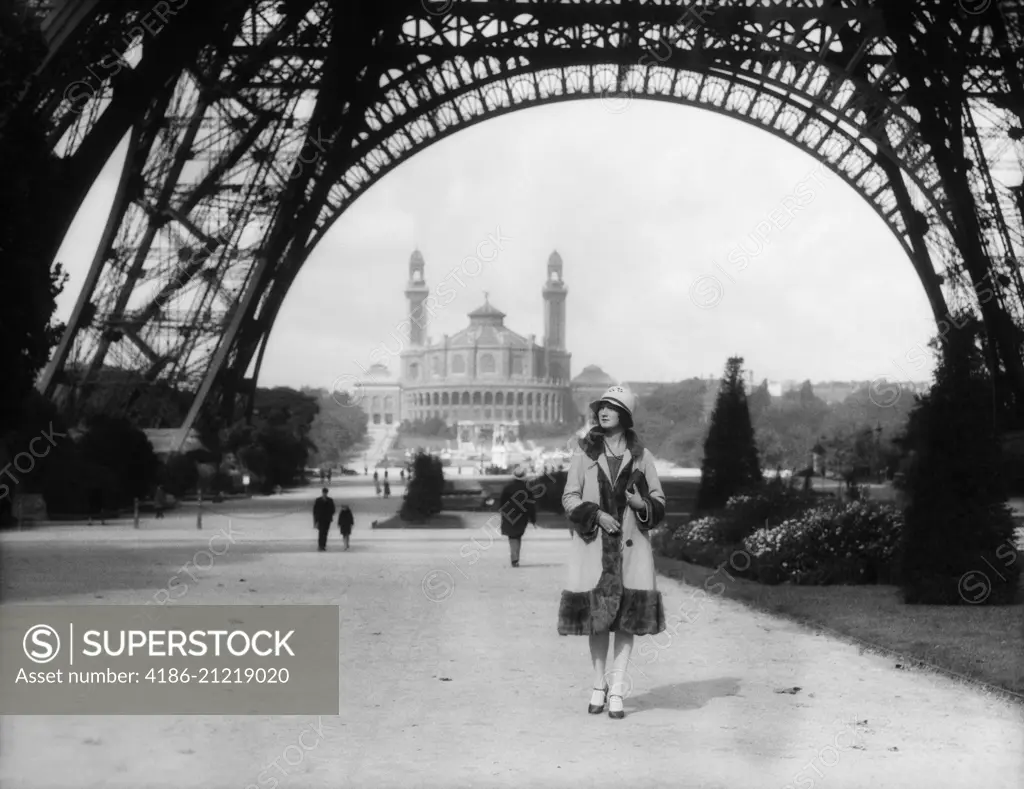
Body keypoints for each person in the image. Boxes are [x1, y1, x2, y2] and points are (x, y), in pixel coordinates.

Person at [558, 385, 666, 720]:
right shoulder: (584, 453)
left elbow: (660, 502)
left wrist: (639, 504)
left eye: (612, 407)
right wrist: (596, 515)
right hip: (594, 549)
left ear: (625, 415)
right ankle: (597, 684)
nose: (603, 412)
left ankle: (617, 687)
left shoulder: (642, 456)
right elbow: (569, 497)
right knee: (597, 622)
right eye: (601, 407)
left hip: (632, 551)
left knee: (626, 622)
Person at [500, 466, 536, 567]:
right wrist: (533, 519)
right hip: (521, 516)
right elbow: (531, 505)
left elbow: (502, 503)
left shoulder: (507, 488)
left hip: (509, 515)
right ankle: (515, 558)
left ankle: (514, 558)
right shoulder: (527, 489)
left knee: (512, 536)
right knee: (517, 536)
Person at [312, 487, 336, 551]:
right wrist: (315, 520)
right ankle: (320, 545)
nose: (325, 493)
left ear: (327, 493)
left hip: (327, 519)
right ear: (322, 492)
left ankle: (323, 545)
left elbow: (333, 509)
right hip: (320, 519)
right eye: (324, 492)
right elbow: (315, 510)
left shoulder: (330, 500)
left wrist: (330, 514)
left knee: (325, 532)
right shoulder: (318, 500)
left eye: (325, 492)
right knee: (321, 532)